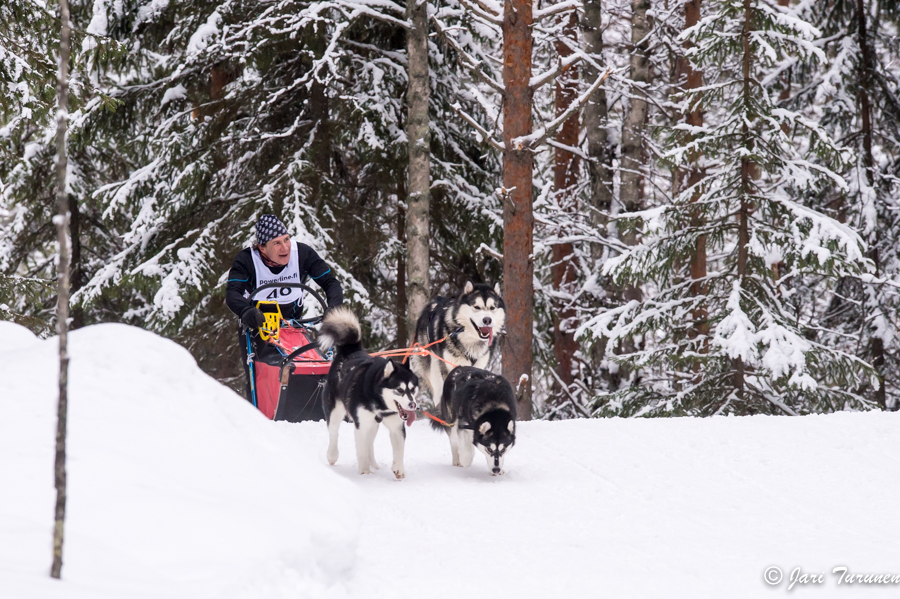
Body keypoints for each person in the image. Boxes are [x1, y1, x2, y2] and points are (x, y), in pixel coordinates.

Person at [226, 214, 343, 401]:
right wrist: (246, 311)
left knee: (303, 363)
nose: (285, 247)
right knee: (259, 373)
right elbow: (232, 294)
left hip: (292, 324)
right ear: (262, 247)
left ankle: (307, 409)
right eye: (277, 243)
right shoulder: (246, 260)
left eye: (286, 239)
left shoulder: (302, 254)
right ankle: (262, 414)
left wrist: (333, 306)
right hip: (258, 325)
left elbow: (330, 282)